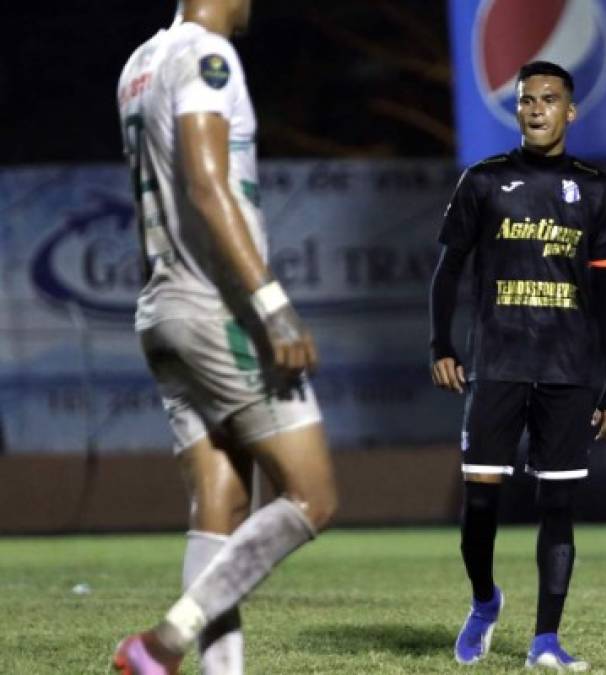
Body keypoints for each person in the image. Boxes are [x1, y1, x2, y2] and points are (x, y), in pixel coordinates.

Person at [113, 1, 337, 673]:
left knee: (222, 501)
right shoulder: (209, 57)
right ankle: (162, 642)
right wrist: (272, 305)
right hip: (220, 311)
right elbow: (209, 186)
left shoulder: (138, 64)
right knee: (312, 495)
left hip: (161, 306)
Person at [429, 60, 606, 671]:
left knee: (558, 506)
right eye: (526, 100)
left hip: (567, 370)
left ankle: (545, 641)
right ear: (515, 110)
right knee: (481, 503)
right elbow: (448, 270)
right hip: (498, 363)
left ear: (571, 111)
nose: (537, 108)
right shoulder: (484, 181)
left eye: (549, 99)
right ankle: (485, 603)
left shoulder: (594, 188)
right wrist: (441, 345)